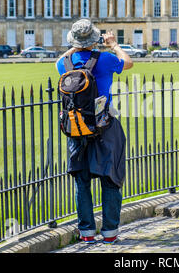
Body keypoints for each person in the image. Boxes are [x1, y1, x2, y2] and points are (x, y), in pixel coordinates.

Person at [55, 19, 133, 244]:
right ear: (93, 39)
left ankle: (87, 232)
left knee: (82, 180)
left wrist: (76, 46)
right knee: (110, 178)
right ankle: (109, 232)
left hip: (76, 126)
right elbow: (128, 63)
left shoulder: (65, 64)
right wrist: (113, 44)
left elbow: (58, 61)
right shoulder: (105, 59)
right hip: (103, 124)